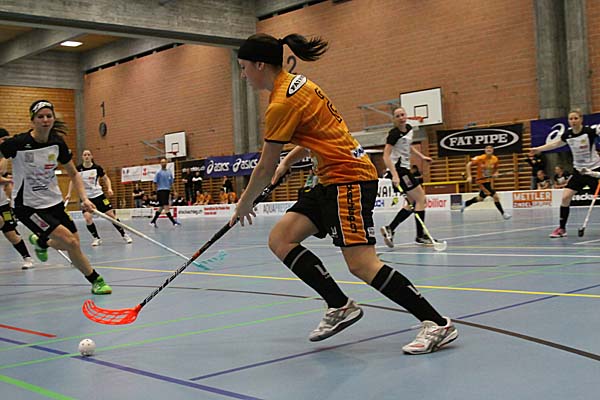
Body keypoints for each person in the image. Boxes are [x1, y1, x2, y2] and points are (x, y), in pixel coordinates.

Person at [230, 33, 457, 354]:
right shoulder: (298, 84)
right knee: (281, 238)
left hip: (348, 179)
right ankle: (339, 305)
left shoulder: (280, 103)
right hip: (329, 178)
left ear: (259, 65)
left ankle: (437, 323)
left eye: (243, 68)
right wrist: (288, 161)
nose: (243, 75)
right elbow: (321, 132)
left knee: (362, 264)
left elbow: (264, 166)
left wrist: (244, 202)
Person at [0, 100, 112, 294]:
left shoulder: (57, 143)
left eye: (48, 116)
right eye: (40, 117)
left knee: (72, 243)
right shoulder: (18, 143)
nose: (45, 120)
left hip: (54, 203)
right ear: (33, 120)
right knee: (71, 242)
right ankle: (96, 280)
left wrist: (85, 199)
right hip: (28, 207)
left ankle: (41, 241)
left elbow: (74, 173)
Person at [530, 108, 600, 238]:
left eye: (576, 118)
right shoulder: (567, 135)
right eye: (571, 119)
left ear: (581, 119)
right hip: (578, 171)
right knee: (565, 198)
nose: (573, 121)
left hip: (594, 170)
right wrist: (539, 149)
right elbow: (555, 144)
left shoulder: (590, 132)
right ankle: (562, 229)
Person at [379, 107, 434, 247]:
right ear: (394, 119)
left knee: (412, 203)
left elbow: (409, 146)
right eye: (397, 116)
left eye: (402, 114)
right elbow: (385, 156)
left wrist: (422, 157)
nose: (401, 117)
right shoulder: (394, 134)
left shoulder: (409, 129)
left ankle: (390, 228)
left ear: (406, 115)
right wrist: (395, 175)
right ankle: (420, 236)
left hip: (404, 169)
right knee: (421, 199)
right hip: (399, 170)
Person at [66, 149, 133, 246]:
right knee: (88, 218)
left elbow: (106, 178)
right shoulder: (78, 169)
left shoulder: (97, 168)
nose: (87, 156)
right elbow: (72, 181)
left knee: (111, 216)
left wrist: (109, 188)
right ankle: (96, 238)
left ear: (91, 156)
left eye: (88, 154)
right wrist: (69, 193)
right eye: (85, 155)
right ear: (82, 157)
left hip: (99, 195)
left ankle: (124, 234)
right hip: (86, 197)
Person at [0, 129, 35, 269]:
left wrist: (11, 198)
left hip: (2, 204)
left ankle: (27, 257)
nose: (6, 142)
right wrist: (9, 180)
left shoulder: (5, 157)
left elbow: (4, 176)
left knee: (11, 234)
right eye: (3, 139)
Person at [461, 145, 512, 219]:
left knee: (480, 198)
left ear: (493, 150)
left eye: (490, 148)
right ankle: (503, 214)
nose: (489, 149)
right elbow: (468, 164)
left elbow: (496, 169)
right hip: (481, 181)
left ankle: (466, 203)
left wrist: (496, 173)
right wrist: (469, 176)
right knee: (495, 197)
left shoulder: (495, 159)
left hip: (488, 181)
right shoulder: (480, 158)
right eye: (487, 148)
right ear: (485, 150)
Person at [149, 158, 180, 227]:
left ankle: (153, 221)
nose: (163, 163)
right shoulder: (158, 172)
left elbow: (172, 183)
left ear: (166, 163)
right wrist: (154, 193)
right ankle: (173, 222)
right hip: (161, 191)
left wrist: (175, 191)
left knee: (161, 207)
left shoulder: (169, 172)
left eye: (164, 162)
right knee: (166, 207)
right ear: (160, 164)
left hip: (167, 191)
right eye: (162, 162)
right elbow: (154, 183)